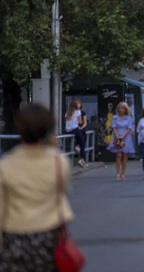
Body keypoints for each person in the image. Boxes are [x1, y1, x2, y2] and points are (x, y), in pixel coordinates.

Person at [0, 104, 74, 271]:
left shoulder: (6, 165)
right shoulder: (58, 162)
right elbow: (64, 193)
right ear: (48, 127)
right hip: (49, 236)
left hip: (15, 236)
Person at [108, 102, 135, 181]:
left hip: (126, 137)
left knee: (125, 155)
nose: (121, 110)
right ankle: (117, 174)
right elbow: (114, 127)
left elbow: (129, 128)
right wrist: (118, 137)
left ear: (125, 109)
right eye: (119, 108)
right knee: (118, 155)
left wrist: (123, 136)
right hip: (117, 136)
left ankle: (123, 174)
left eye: (123, 108)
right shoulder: (115, 117)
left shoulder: (128, 118)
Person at [64, 100, 87, 168]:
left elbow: (66, 122)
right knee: (82, 143)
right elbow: (80, 122)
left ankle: (77, 147)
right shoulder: (78, 112)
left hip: (68, 130)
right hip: (75, 129)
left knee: (78, 139)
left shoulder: (67, 113)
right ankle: (82, 159)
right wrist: (80, 121)